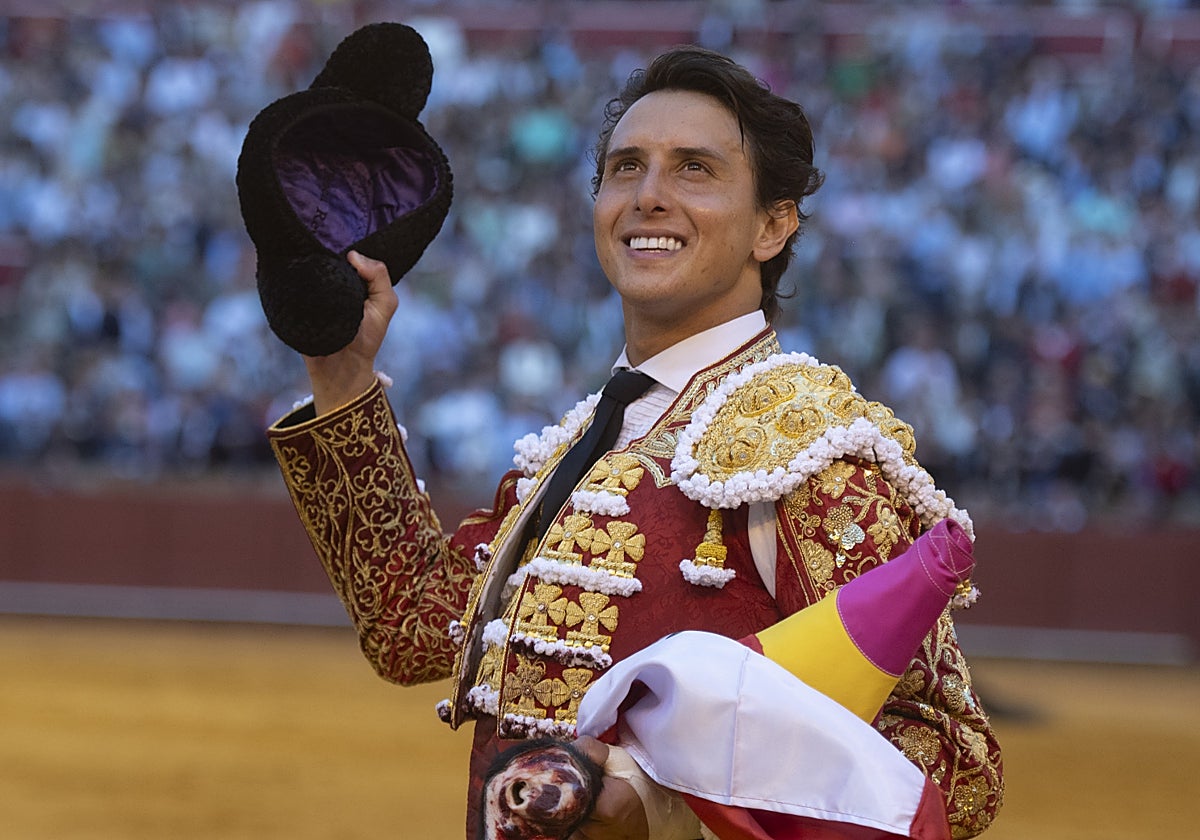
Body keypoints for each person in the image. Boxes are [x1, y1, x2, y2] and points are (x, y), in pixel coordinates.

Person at [265, 45, 1003, 839]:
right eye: (625, 168)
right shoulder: (582, 442)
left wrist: (664, 808)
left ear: (772, 225)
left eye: (694, 169)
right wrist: (343, 375)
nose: (648, 196)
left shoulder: (808, 452)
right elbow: (411, 626)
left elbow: (953, 767)